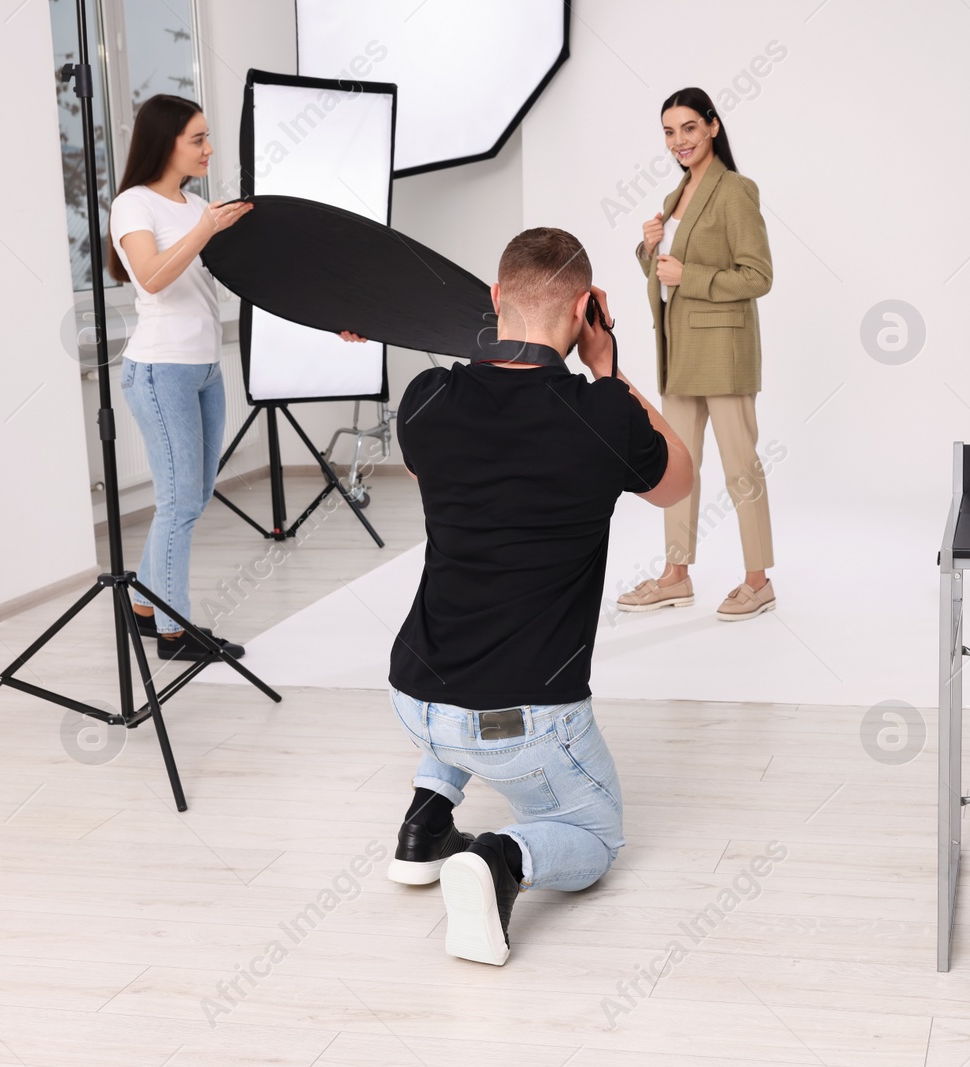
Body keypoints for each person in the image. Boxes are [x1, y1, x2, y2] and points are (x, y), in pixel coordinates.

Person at [384, 228, 694, 966]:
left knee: (464, 671)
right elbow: (678, 480)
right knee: (597, 838)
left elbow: (449, 476)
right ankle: (498, 859)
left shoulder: (426, 398)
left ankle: (428, 820)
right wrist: (611, 372)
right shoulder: (606, 416)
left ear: (495, 300)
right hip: (522, 722)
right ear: (587, 308)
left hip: (416, 696)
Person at [108, 95, 364, 660]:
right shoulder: (135, 205)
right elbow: (151, 277)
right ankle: (174, 635)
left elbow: (263, 283)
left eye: (207, 137)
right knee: (179, 503)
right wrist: (204, 227)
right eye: (197, 139)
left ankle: (146, 607)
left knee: (192, 497)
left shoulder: (197, 206)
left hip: (200, 369)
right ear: (165, 142)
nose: (209, 148)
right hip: (159, 369)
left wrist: (332, 320)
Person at [614, 87, 777, 621]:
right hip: (679, 351)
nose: (678, 140)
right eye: (668, 131)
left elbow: (758, 276)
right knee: (675, 467)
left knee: (740, 470)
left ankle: (758, 581)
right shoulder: (672, 197)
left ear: (711, 126)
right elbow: (666, 279)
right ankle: (676, 575)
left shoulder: (736, 190)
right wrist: (649, 250)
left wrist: (691, 275)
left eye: (687, 127)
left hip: (725, 352)